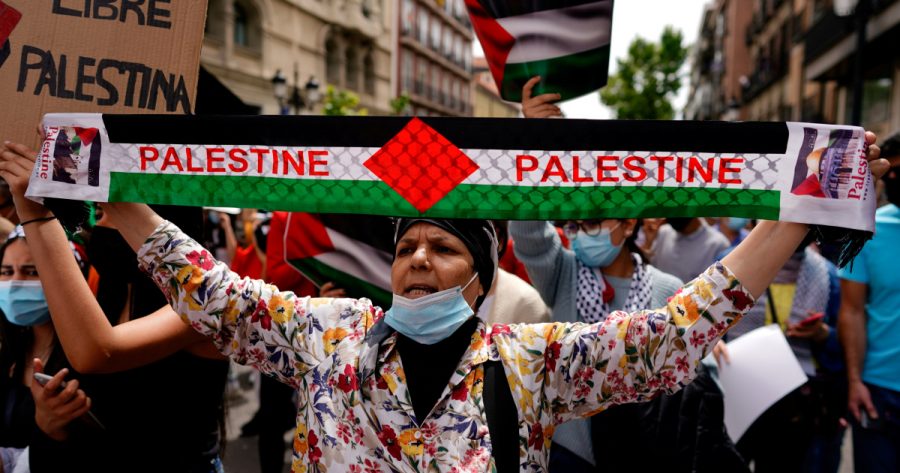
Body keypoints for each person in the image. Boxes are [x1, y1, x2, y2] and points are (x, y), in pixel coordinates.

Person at [0, 132, 887, 472]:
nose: (418, 258)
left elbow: (686, 319)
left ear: (479, 276)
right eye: (406, 247)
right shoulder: (322, 335)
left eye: (444, 246)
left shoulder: (536, 360)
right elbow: (204, 282)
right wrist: (81, 193)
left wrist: (800, 212)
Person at [713, 235, 846, 472]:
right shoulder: (729, 265)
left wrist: (822, 333)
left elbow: (841, 346)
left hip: (794, 406)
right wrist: (711, 343)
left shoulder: (827, 275)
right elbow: (705, 323)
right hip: (735, 395)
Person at [0, 226, 94, 472]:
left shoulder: (89, 358)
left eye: (31, 272)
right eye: (6, 271)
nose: (14, 283)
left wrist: (50, 430)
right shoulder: (7, 352)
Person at [838, 133, 900, 473]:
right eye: (889, 170)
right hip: (879, 394)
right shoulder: (867, 230)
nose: (893, 179)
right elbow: (851, 309)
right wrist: (855, 381)